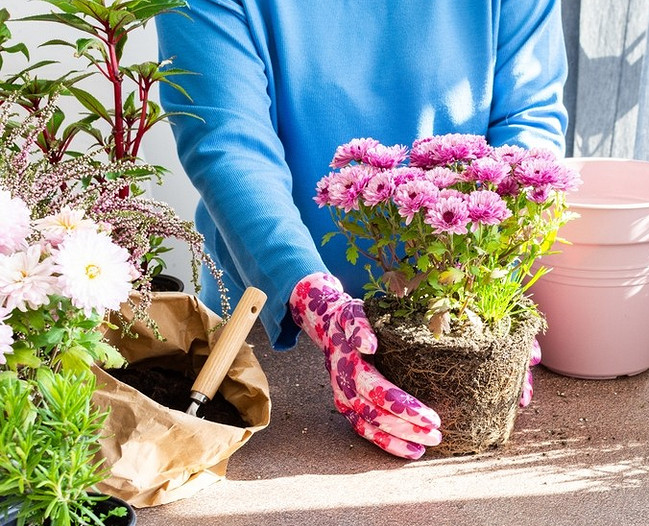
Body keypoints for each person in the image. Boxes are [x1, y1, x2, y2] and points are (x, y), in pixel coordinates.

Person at [156, 0, 569, 459]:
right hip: (264, 319)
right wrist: (315, 302)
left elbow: (528, 121)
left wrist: (485, 295)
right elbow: (228, 140)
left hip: (450, 311)